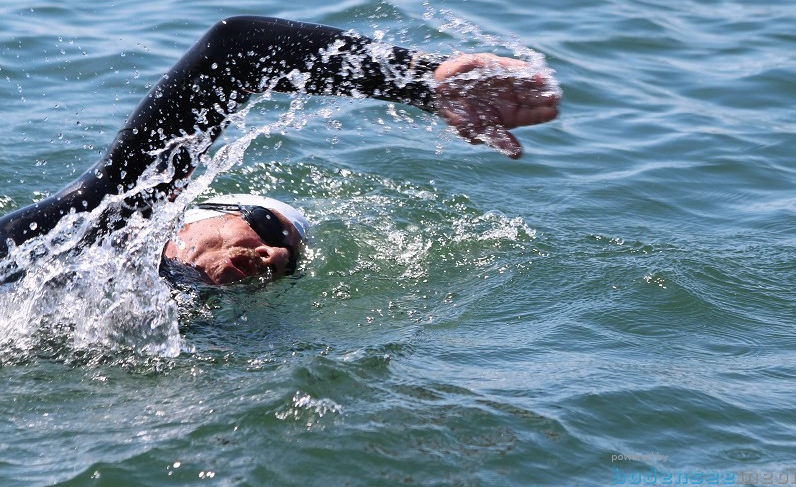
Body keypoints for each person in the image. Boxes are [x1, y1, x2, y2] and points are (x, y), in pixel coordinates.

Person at [0, 15, 560, 286]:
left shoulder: (156, 340)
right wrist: (421, 81)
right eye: (267, 227)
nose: (276, 257)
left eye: (289, 261)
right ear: (186, 219)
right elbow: (236, 53)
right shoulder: (80, 230)